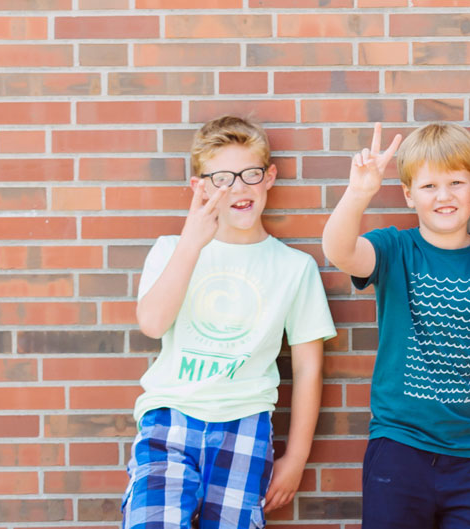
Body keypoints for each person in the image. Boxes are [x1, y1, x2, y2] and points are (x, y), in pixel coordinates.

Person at [321, 123, 470, 528]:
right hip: (399, 449)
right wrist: (359, 193)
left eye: (456, 182)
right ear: (408, 195)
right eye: (429, 186)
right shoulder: (394, 248)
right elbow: (339, 251)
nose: (444, 196)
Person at [124, 115, 335, 528]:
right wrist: (192, 242)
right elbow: (152, 323)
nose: (238, 187)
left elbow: (310, 367)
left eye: (250, 174)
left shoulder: (294, 267)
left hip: (246, 425)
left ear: (269, 177)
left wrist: (295, 457)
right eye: (222, 178)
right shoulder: (172, 249)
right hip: (170, 420)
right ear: (198, 186)